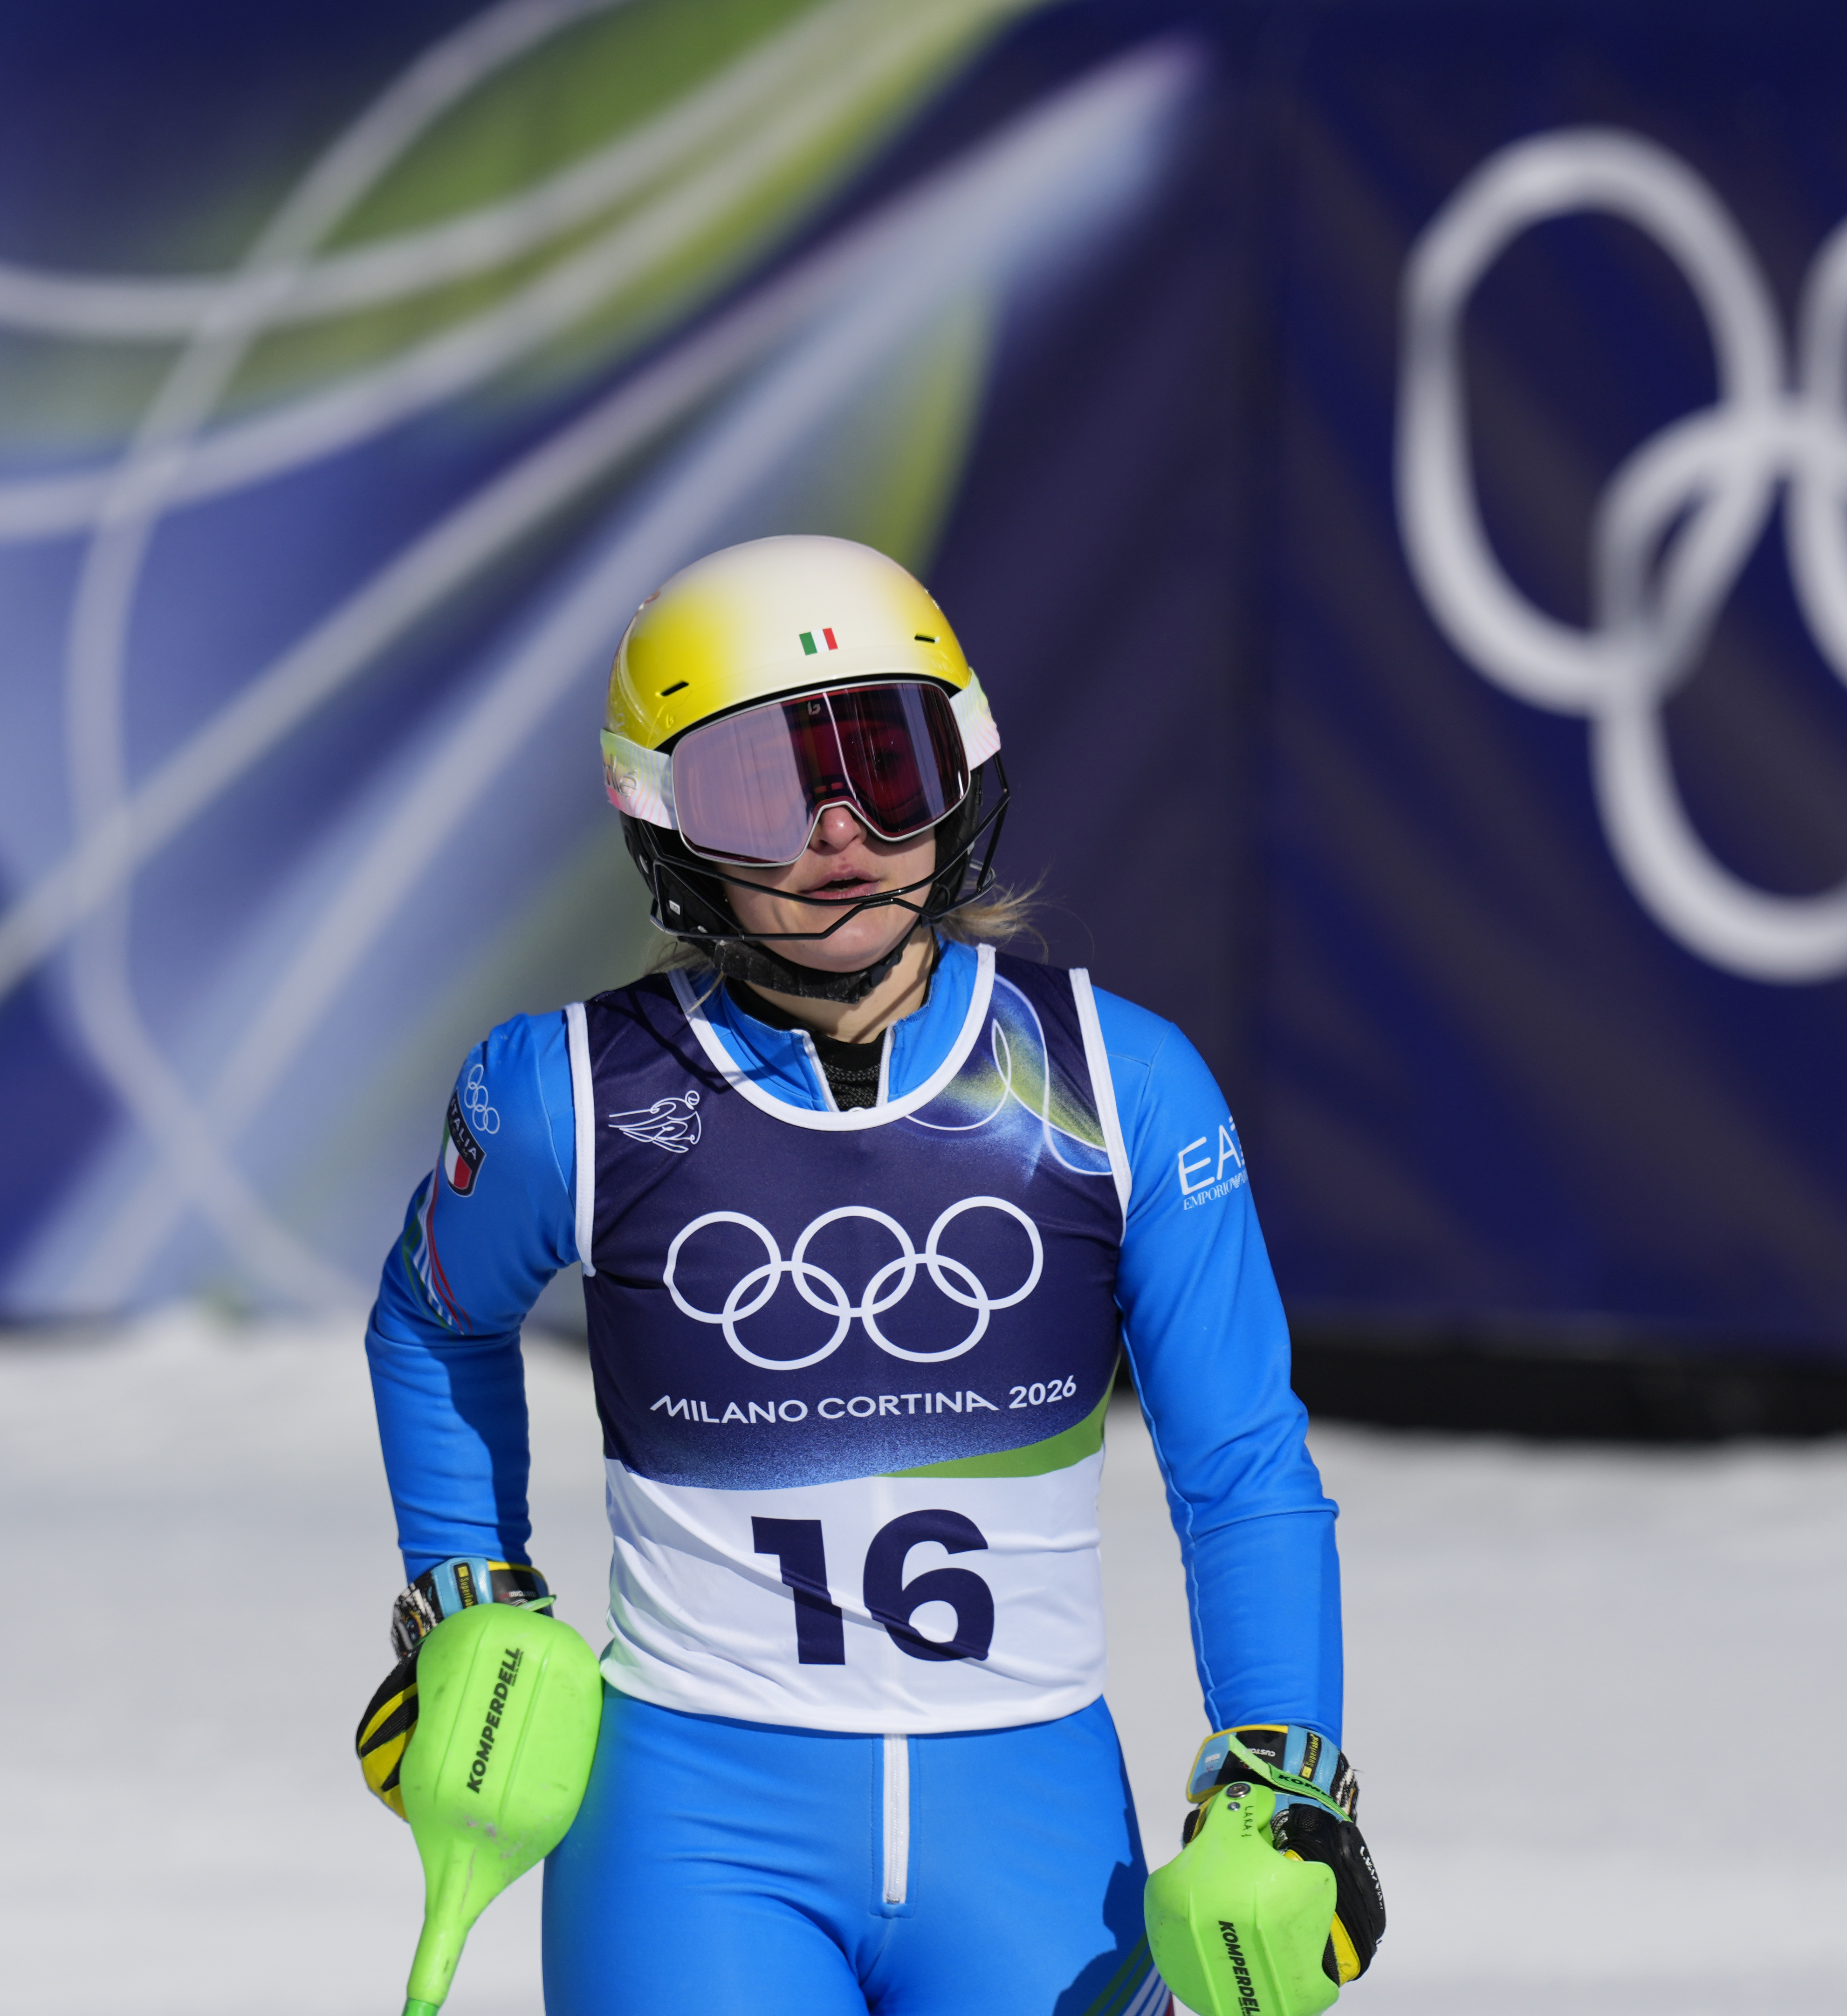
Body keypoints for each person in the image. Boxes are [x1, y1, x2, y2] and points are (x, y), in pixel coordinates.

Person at [353, 535, 1380, 2014]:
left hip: (1033, 1833)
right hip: (689, 1833)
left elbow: (1242, 1466)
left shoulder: (1122, 1084)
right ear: (663, 825)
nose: (843, 831)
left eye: (886, 769)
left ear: (961, 772)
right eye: (763, 791)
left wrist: (1285, 1773)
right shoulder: (560, 1094)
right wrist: (468, 1597)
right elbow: (434, 1322)